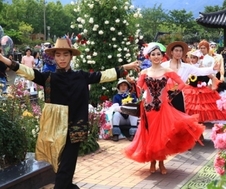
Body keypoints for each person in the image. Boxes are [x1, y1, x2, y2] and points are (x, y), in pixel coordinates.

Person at [0, 37, 140, 189]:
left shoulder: (80, 76)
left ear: (71, 56)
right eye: (58, 55)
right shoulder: (49, 78)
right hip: (55, 129)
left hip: (75, 127)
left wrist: (127, 66)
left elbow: (103, 75)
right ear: (54, 57)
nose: (62, 58)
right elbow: (26, 71)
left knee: (67, 164)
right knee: (61, 166)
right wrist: (3, 59)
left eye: (65, 55)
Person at [124, 45, 205, 175]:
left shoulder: (167, 71)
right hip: (148, 108)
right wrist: (132, 82)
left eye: (158, 54)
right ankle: (152, 161)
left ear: (162, 56)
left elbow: (182, 84)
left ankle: (161, 162)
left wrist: (170, 96)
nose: (156, 57)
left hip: (163, 108)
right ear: (149, 57)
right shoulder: (144, 73)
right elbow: (139, 88)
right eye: (153, 54)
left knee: (162, 135)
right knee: (150, 135)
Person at [161, 41, 219, 113]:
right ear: (172, 52)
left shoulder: (186, 67)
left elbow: (199, 71)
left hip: (179, 95)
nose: (178, 53)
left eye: (180, 51)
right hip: (164, 95)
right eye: (176, 50)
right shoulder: (164, 65)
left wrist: (212, 69)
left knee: (179, 117)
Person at [183, 40, 226, 123]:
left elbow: (210, 75)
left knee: (201, 105)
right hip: (190, 88)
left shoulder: (203, 65)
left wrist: (214, 83)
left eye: (194, 58)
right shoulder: (188, 67)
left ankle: (200, 119)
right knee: (191, 105)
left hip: (201, 87)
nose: (192, 59)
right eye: (191, 57)